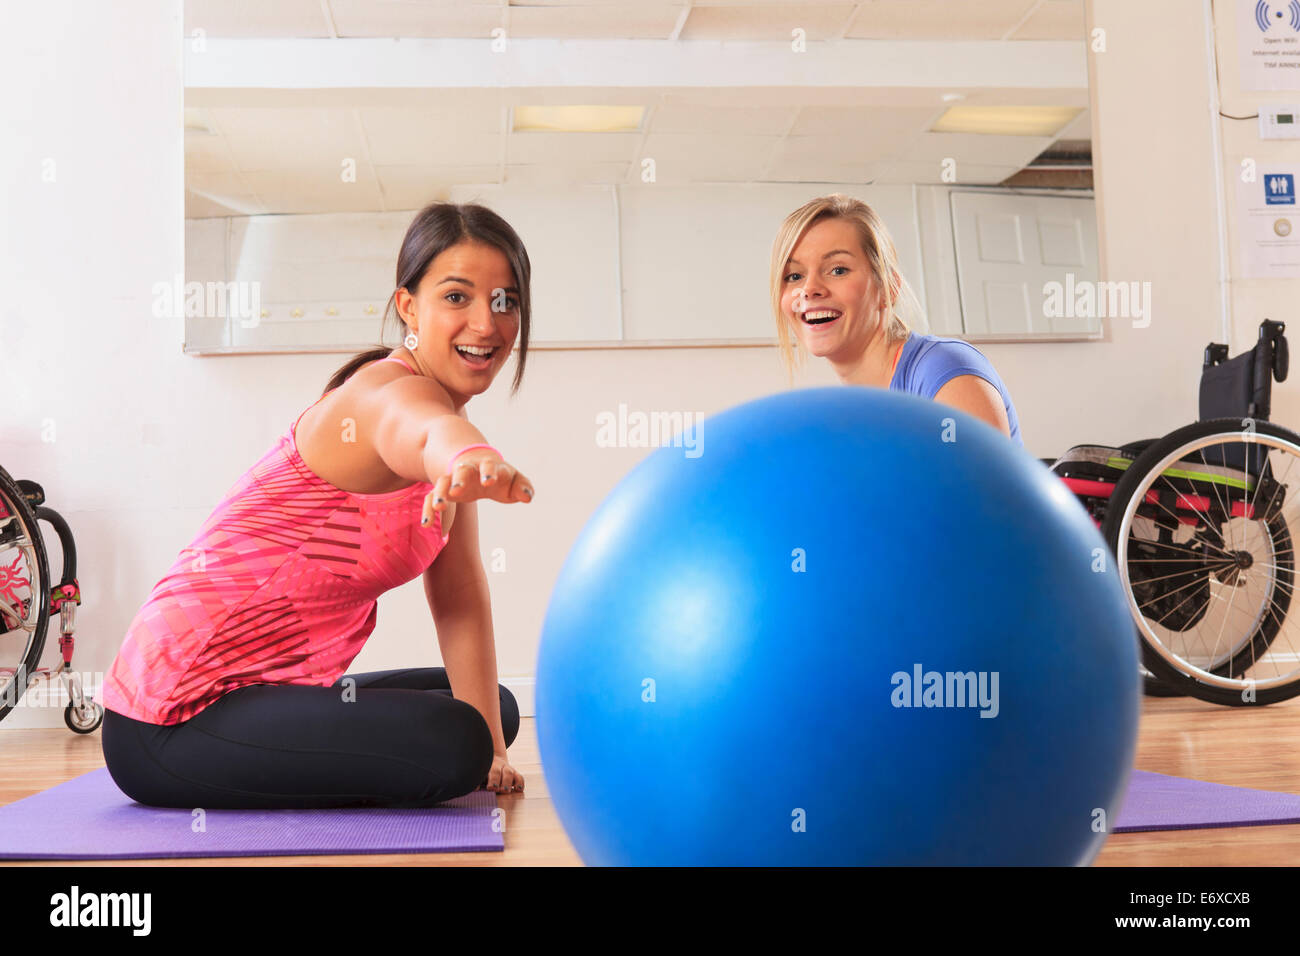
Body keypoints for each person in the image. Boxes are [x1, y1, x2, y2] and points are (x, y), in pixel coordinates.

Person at [101, 201, 534, 809]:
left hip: (269, 692)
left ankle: (474, 735)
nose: (486, 324)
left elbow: (459, 594)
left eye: (504, 301)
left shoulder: (445, 418)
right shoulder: (379, 397)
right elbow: (419, 430)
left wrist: (495, 747)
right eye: (457, 297)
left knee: (494, 712)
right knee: (456, 741)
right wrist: (467, 456)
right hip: (172, 711)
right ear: (408, 306)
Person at [769, 193, 1023, 446]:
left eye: (838, 270)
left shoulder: (943, 370)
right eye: (794, 276)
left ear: (888, 287)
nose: (809, 288)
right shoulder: (850, 415)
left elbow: (980, 486)